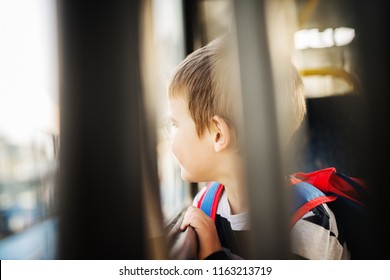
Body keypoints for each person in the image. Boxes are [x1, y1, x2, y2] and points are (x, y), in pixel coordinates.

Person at [166, 35, 349, 260]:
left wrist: (215, 258)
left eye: (175, 124)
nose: (170, 135)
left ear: (218, 133)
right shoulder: (205, 203)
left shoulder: (305, 219)